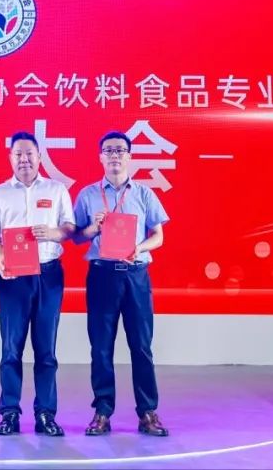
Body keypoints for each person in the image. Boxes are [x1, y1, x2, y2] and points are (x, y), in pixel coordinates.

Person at [73, 131, 169, 437]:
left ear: (129, 156)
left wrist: (139, 248)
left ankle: (148, 411)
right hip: (102, 275)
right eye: (108, 150)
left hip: (135, 274)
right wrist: (93, 227)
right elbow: (76, 237)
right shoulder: (88, 195)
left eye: (120, 150)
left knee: (141, 345)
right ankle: (102, 411)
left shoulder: (144, 194)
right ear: (100, 156)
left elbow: (158, 236)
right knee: (101, 347)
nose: (114, 155)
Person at [0, 131, 75, 437]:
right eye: (18, 154)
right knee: (11, 348)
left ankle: (46, 413)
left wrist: (54, 233)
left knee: (46, 349)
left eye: (29, 154)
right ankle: (9, 412)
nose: (24, 159)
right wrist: (0, 257)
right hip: (12, 277)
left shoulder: (56, 189)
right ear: (10, 158)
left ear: (39, 157)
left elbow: (70, 227)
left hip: (48, 275)